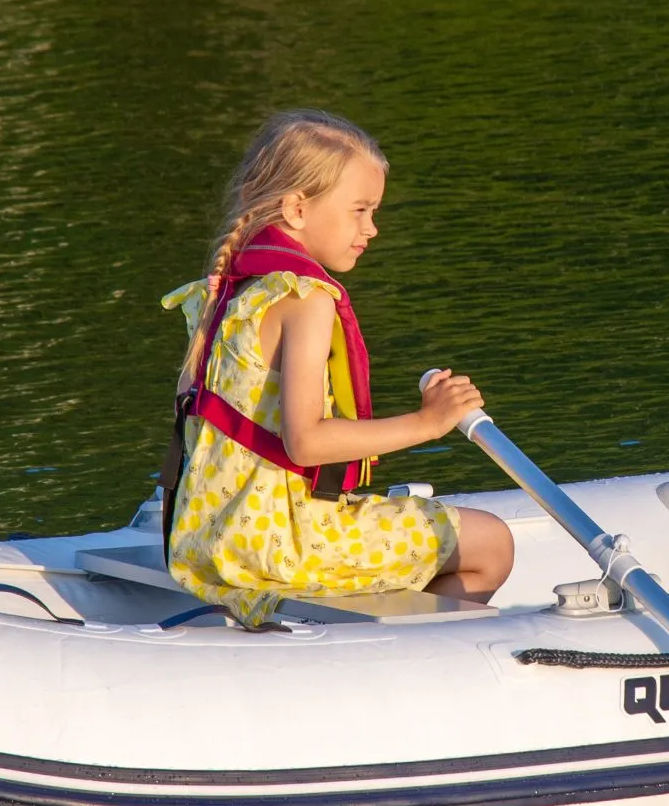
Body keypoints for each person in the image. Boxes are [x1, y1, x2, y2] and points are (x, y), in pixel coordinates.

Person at [162, 110, 516, 627]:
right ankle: (401, 655)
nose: (371, 228)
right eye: (360, 210)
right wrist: (429, 422)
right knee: (492, 544)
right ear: (297, 209)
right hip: (280, 546)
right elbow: (306, 442)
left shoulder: (228, 290)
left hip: (207, 538)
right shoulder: (305, 299)